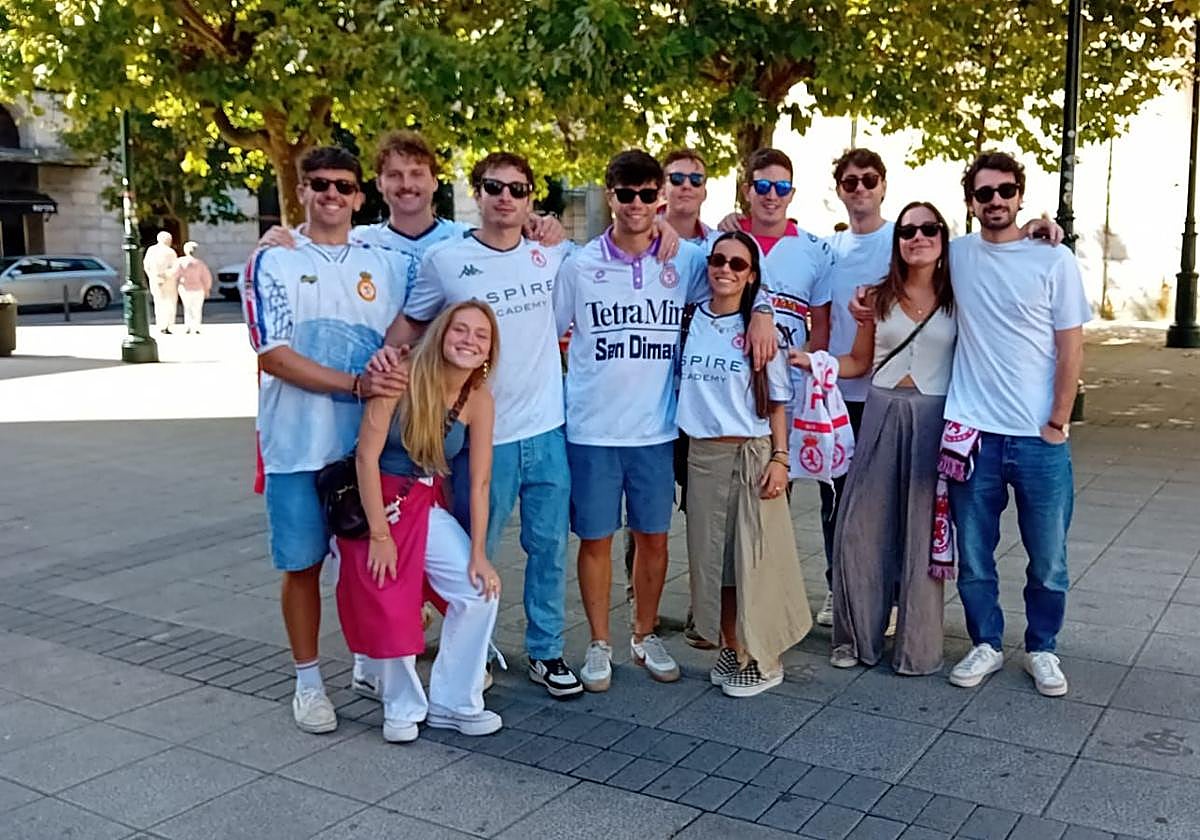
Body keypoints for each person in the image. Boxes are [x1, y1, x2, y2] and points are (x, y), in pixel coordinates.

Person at [554, 149, 776, 693]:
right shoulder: (579, 266)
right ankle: (601, 644)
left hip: (657, 430)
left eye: (646, 194)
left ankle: (644, 633)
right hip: (592, 429)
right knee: (596, 540)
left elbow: (740, 278)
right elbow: (551, 336)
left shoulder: (687, 260)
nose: (636, 205)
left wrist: (765, 312)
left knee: (655, 538)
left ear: (660, 198)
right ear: (610, 197)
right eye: (624, 194)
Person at [381, 151, 584, 700]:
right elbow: (413, 321)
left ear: (531, 197)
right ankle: (476, 645)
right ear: (477, 191)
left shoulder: (552, 252)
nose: (506, 198)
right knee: (477, 547)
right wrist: (380, 362)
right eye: (494, 187)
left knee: (548, 547)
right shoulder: (447, 260)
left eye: (518, 189)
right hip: (479, 433)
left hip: (546, 429)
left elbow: (623, 247)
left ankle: (546, 650)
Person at [242, 145, 408, 734]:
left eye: (343, 185)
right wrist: (357, 383)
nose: (331, 194)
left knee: (368, 565)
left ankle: (369, 663)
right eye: (319, 184)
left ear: (360, 196)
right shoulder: (271, 262)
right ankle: (308, 681)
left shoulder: (384, 259)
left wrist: (540, 226)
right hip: (295, 447)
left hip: (368, 450)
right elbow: (274, 356)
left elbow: (450, 275)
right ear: (302, 191)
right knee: (303, 566)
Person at [942, 152, 1089, 697]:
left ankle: (1041, 648)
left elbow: (1070, 347)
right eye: (985, 194)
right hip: (973, 432)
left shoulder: (1054, 260)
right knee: (975, 554)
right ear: (971, 201)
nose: (996, 201)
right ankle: (985, 642)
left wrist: (1057, 419)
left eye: (1006, 191)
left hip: (1039, 439)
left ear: (1020, 194)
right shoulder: (956, 255)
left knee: (1048, 557)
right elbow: (899, 253)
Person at [801, 201, 956, 675]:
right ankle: (856, 637)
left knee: (920, 535)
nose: (918, 237)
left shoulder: (958, 295)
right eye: (909, 230)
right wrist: (817, 362)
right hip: (882, 412)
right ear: (899, 240)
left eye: (929, 228)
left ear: (943, 237)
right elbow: (858, 363)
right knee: (859, 531)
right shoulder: (877, 297)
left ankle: (916, 646)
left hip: (933, 417)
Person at [337, 300, 503, 741]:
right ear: (441, 334)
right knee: (389, 595)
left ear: (490, 350)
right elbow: (367, 457)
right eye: (460, 330)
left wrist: (479, 553)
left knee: (478, 592)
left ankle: (455, 702)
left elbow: (481, 482)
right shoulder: (400, 375)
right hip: (374, 502)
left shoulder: (478, 399)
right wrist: (378, 535)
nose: (469, 340)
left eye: (480, 335)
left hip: (423, 504)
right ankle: (401, 704)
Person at [679, 231, 811, 696]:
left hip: (753, 451)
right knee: (715, 561)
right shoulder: (691, 319)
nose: (726, 270)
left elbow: (777, 399)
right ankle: (732, 648)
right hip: (702, 455)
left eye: (738, 264)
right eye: (718, 260)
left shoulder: (760, 328)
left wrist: (781, 456)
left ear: (752, 275)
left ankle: (766, 656)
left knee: (758, 558)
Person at [816, 149, 895, 629]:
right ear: (839, 190)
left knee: (883, 504)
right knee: (835, 502)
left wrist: (1040, 230)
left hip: (890, 393)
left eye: (869, 180)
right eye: (851, 182)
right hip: (838, 394)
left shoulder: (902, 240)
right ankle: (836, 588)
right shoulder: (828, 249)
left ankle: (885, 596)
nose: (860, 188)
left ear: (883, 185)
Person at [173, 241, 213, 334]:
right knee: (197, 308)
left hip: (185, 288)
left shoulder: (180, 262)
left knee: (187, 308)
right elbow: (206, 277)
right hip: (198, 289)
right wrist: (207, 289)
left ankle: (188, 326)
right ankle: (196, 327)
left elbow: (175, 274)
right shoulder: (200, 264)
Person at [143, 231, 178, 334]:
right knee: (170, 302)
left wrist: (152, 276)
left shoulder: (151, 250)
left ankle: (161, 324)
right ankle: (168, 325)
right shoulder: (171, 252)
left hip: (155, 280)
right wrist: (166, 275)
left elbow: (146, 265)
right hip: (168, 280)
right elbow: (174, 268)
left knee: (158, 303)